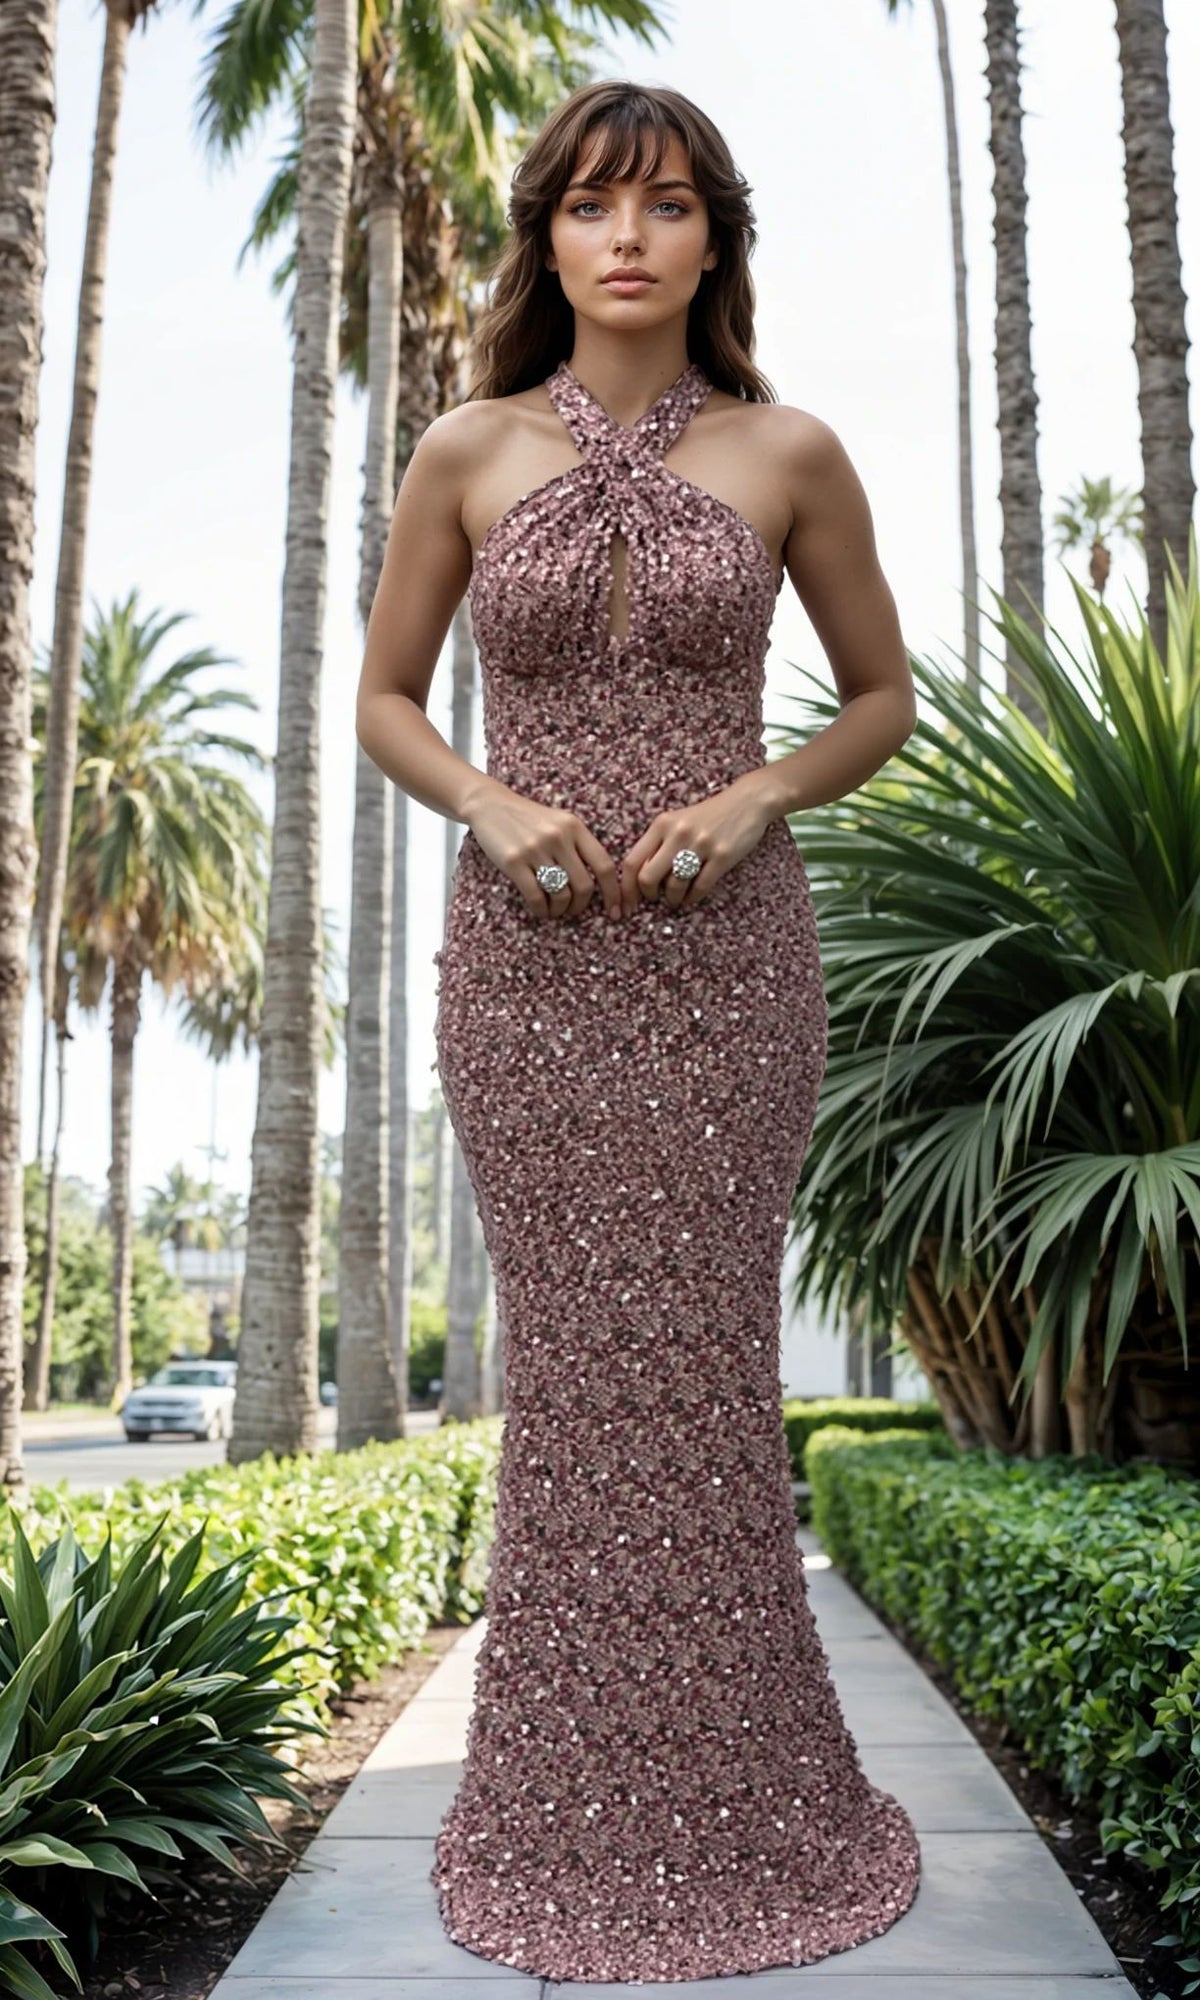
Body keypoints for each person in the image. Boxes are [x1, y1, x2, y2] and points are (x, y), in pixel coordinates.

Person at [356, 75, 921, 1989]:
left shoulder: (789, 452)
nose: (626, 238)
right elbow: (384, 696)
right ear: (546, 238)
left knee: (702, 1361)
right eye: (592, 206)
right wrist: (492, 805)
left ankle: (757, 1802)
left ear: (711, 240)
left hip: (727, 971)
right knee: (580, 1376)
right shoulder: (466, 447)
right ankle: (548, 1803)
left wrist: (755, 797)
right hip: (522, 974)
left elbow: (878, 698)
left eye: (666, 207)